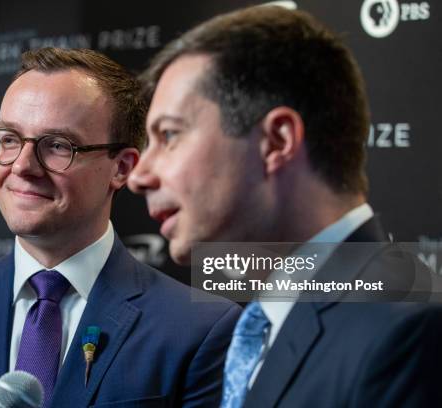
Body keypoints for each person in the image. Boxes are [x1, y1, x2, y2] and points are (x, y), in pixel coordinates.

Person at [0, 48, 240, 407]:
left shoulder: (199, 330)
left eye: (57, 146)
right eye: (8, 139)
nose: (22, 166)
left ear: (122, 168)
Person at [128, 5, 442, 407]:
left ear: (276, 142)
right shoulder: (264, 321)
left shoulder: (409, 333)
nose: (140, 175)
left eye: (169, 135)